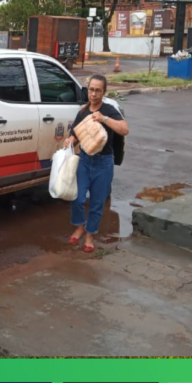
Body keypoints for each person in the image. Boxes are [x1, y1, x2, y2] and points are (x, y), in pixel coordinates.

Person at [65, 74, 129, 253]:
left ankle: (90, 235)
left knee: (96, 203)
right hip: (85, 161)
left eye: (98, 90)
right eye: (91, 90)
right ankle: (79, 226)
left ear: (104, 92)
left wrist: (104, 119)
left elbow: (125, 129)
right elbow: (75, 134)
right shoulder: (83, 112)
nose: (93, 94)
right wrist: (70, 141)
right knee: (77, 198)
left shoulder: (109, 110)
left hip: (104, 163)